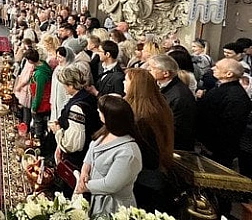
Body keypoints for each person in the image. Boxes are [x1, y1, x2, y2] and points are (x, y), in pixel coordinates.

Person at [75, 94, 143, 217]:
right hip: (94, 199)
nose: (97, 111)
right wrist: (85, 171)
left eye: (100, 110)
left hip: (114, 209)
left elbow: (111, 185)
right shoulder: (106, 131)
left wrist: (84, 186)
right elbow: (92, 151)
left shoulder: (129, 153)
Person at [124, 68, 175, 213]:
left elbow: (145, 153)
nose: (123, 82)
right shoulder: (157, 108)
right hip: (153, 173)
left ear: (135, 86)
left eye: (126, 80)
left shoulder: (142, 117)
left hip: (143, 177)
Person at [197, 58, 252, 168]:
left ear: (229, 74)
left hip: (217, 150)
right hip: (208, 144)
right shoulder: (221, 88)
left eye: (217, 67)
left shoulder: (236, 96)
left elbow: (229, 127)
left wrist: (209, 145)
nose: (213, 68)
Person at [50, 66, 101, 171]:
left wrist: (58, 131)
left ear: (71, 85)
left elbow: (73, 145)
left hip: (76, 160)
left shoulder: (77, 108)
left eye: (65, 84)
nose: (64, 87)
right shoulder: (88, 96)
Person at [147, 54, 196, 151]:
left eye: (152, 69)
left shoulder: (179, 96)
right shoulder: (159, 85)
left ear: (165, 73)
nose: (148, 70)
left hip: (175, 146)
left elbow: (177, 127)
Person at [25, 48, 52, 151]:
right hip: (43, 100)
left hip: (41, 103)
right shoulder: (43, 64)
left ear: (30, 60)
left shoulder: (40, 74)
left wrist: (34, 107)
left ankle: (38, 146)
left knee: (38, 124)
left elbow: (39, 93)